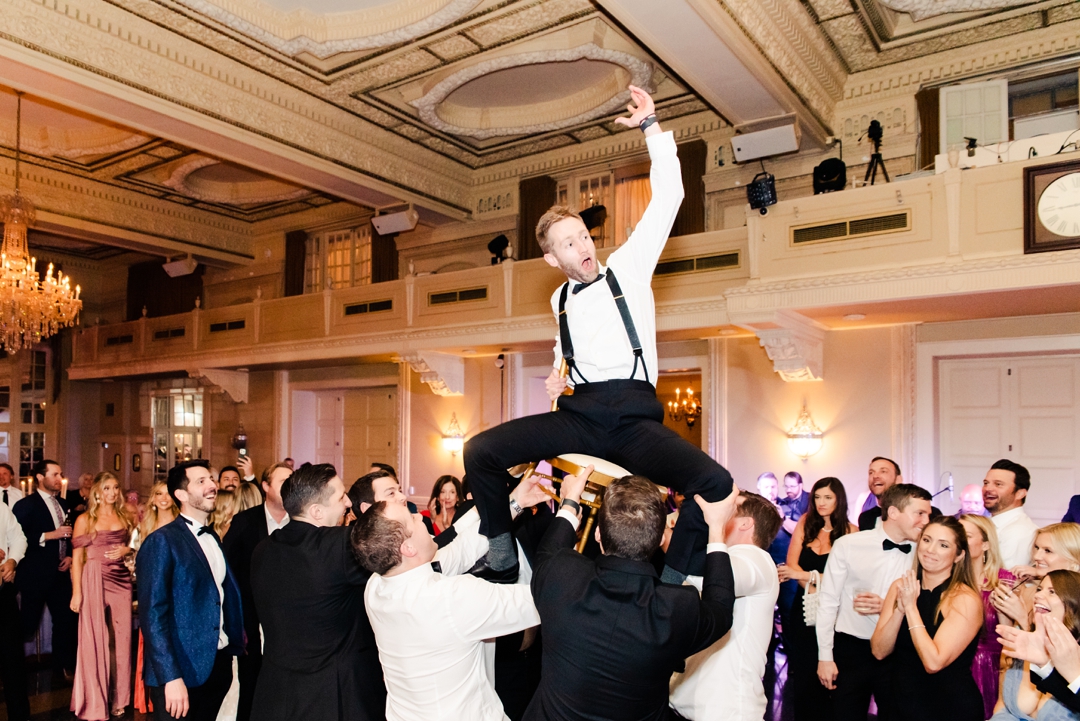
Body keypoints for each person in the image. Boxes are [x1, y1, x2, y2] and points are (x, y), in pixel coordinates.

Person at [463, 85, 734, 585]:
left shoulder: (627, 270)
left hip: (634, 420)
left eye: (584, 236)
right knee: (479, 451)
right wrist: (555, 376)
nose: (583, 245)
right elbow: (566, 353)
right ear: (552, 259)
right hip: (580, 415)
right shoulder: (559, 299)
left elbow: (670, 195)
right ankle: (501, 556)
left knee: (716, 485)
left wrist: (651, 127)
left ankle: (672, 583)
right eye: (569, 243)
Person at [524, 471, 738, 720]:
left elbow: (549, 550)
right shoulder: (677, 609)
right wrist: (716, 527)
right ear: (659, 539)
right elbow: (721, 608)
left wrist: (571, 500)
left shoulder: (560, 576)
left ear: (598, 535)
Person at [353, 473, 552, 721]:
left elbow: (462, 549)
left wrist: (515, 503)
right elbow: (542, 600)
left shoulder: (377, 584)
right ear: (408, 548)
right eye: (412, 519)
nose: (418, 515)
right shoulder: (450, 598)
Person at [250, 463, 383, 721]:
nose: (348, 503)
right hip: (332, 696)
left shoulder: (262, 550)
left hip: (276, 694)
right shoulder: (339, 546)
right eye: (341, 496)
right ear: (316, 511)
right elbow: (397, 558)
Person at [137, 459, 244, 721]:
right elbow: (152, 616)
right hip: (179, 672)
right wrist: (171, 678)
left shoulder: (214, 538)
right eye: (201, 481)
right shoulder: (161, 541)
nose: (212, 485)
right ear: (181, 495)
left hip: (215, 666)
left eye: (211, 479)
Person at [816, 483, 933, 721]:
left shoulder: (925, 553)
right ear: (893, 513)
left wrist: (887, 606)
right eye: (920, 513)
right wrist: (825, 656)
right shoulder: (848, 545)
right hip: (850, 650)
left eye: (928, 514)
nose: (925, 520)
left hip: (899, 651)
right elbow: (827, 602)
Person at [669, 491, 783, 720]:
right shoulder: (727, 557)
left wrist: (676, 534)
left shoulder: (756, 558)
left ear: (745, 523)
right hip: (688, 704)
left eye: (729, 510)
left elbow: (717, 579)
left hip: (727, 711)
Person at [870, 516, 985, 721]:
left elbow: (933, 662)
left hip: (947, 706)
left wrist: (911, 608)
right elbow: (879, 651)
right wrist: (900, 610)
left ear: (958, 555)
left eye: (943, 545)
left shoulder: (964, 599)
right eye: (926, 540)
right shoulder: (900, 586)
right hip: (900, 701)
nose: (930, 550)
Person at [778, 477, 857, 721]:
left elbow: (847, 579)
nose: (821, 503)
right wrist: (814, 585)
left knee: (832, 676)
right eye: (818, 497)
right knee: (803, 676)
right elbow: (790, 564)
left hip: (836, 614)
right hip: (804, 609)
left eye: (828, 497)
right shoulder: (805, 523)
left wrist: (806, 578)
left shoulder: (852, 532)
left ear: (839, 499)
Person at [221, 461, 291, 721]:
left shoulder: (300, 522)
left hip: (290, 623)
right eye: (283, 482)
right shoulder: (245, 522)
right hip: (252, 620)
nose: (289, 487)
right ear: (265, 486)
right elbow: (226, 569)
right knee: (251, 683)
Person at [70, 471, 136, 720]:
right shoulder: (85, 519)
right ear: (97, 491)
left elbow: (137, 543)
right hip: (93, 577)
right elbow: (77, 559)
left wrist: (128, 549)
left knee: (122, 640)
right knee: (94, 640)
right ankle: (96, 699)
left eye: (115, 488)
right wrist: (76, 592)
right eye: (107, 488)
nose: (112, 493)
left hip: (121, 581)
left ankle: (120, 698)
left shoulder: (124, 515)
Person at [12, 458, 77, 676]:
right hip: (35, 575)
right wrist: (50, 535)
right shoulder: (26, 505)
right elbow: (17, 537)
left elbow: (69, 535)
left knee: (65, 622)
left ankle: (62, 668)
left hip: (59, 575)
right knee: (28, 625)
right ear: (40, 477)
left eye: (60, 474)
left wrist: (68, 555)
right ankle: (13, 668)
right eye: (55, 474)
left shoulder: (64, 504)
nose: (60, 479)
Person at [995, 570, 1080, 719]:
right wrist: (1045, 664)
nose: (1037, 595)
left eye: (1052, 592)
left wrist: (1074, 675)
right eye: (1039, 589)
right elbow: (1003, 705)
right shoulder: (1030, 643)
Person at [960, 513, 1015, 720]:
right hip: (955, 662)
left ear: (985, 545)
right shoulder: (949, 579)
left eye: (966, 535)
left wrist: (1004, 610)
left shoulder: (1004, 580)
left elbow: (1009, 634)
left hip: (991, 665)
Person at [131, 480, 179, 714]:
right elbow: (136, 561)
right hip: (153, 594)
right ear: (153, 498)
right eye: (158, 493)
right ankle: (150, 699)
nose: (163, 498)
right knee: (152, 641)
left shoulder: (182, 525)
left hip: (178, 595)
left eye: (168, 493)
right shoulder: (144, 527)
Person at [992, 523, 1080, 632]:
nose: (1036, 557)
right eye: (1037, 548)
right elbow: (1011, 646)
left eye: (1048, 551)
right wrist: (1004, 612)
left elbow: (1051, 647)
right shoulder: (1034, 592)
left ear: (1073, 558)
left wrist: (1022, 618)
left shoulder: (1071, 601)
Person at [0, 493, 29, 721]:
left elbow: (19, 538)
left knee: (13, 660)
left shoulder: (1, 508)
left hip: (3, 594)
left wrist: (12, 560)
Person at [984, 459, 1039, 569]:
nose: (988, 489)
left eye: (998, 484)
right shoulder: (989, 523)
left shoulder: (1019, 531)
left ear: (1020, 494)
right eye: (986, 483)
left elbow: (1006, 580)